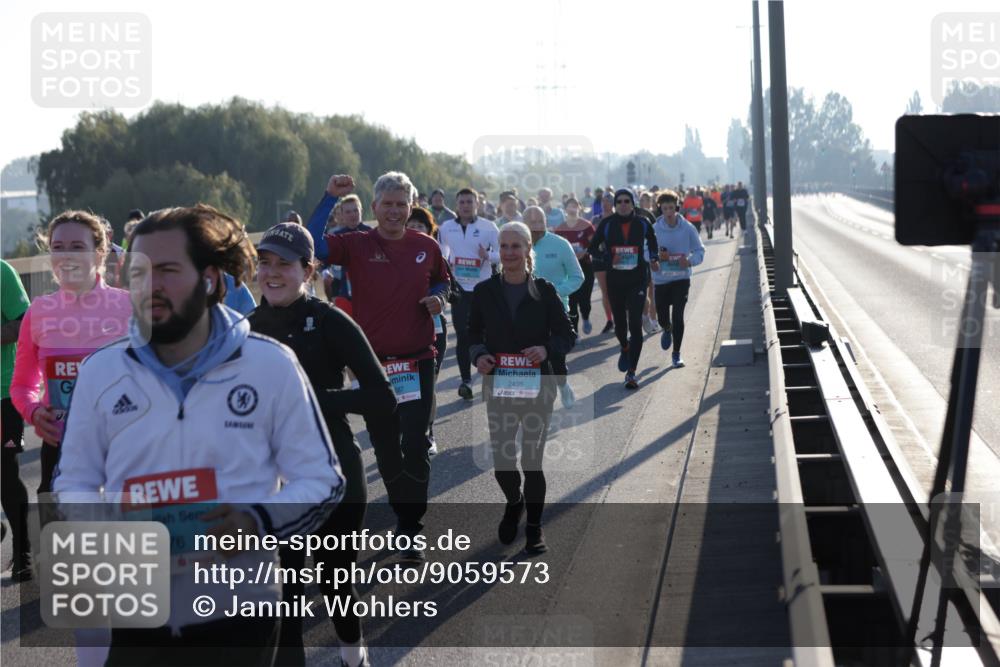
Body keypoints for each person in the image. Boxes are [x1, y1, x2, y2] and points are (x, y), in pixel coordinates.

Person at [53, 204, 345, 665]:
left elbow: (323, 479)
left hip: (240, 609)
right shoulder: (101, 371)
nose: (150, 285)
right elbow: (72, 482)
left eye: (168, 270)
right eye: (139, 272)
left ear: (210, 279)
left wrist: (256, 520)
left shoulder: (270, 364)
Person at [250, 222, 395, 667]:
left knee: (335, 583)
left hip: (335, 474)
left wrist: (311, 400)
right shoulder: (245, 331)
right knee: (285, 595)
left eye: (285, 264)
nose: (273, 273)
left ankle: (354, 653)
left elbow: (381, 396)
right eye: (265, 263)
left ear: (309, 269)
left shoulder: (332, 322)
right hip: (274, 483)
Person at [322, 172, 451, 562]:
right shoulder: (356, 244)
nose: (395, 211)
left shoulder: (425, 246)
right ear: (374, 207)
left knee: (415, 443)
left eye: (401, 204)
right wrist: (329, 198)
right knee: (386, 449)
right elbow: (309, 245)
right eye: (388, 204)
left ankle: (410, 527)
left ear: (412, 207)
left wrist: (437, 298)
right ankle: (402, 513)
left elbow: (442, 283)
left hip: (418, 360)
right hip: (374, 367)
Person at [468, 221, 575, 554]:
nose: (509, 252)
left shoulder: (544, 291)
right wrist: (479, 355)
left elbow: (567, 335)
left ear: (529, 249)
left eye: (516, 246)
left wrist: (546, 349)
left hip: (538, 387)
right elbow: (472, 334)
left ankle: (534, 527)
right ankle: (514, 502)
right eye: (504, 246)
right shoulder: (486, 292)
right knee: (503, 461)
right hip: (500, 386)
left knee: (532, 460)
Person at [10, 211, 133, 495]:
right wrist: (34, 411)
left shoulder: (131, 308)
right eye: (58, 247)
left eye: (78, 247)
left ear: (101, 254)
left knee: (127, 541)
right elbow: (22, 386)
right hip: (61, 452)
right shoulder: (38, 312)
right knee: (64, 540)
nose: (67, 256)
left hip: (125, 453)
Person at [588, 189, 659, 389]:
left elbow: (653, 242)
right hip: (616, 281)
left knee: (634, 324)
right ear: (615, 204)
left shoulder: (643, 223)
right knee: (621, 326)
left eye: (627, 201)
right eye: (619, 201)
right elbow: (593, 248)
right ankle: (624, 347)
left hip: (637, 280)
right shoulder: (607, 224)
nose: (623, 204)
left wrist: (653, 258)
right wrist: (609, 258)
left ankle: (632, 373)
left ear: (632, 203)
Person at [438, 187, 500, 400]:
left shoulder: (489, 227)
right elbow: (441, 252)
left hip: (483, 289)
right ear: (457, 205)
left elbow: (503, 254)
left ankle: (489, 376)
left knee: (487, 334)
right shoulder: (446, 227)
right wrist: (448, 262)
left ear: (477, 204)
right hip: (460, 290)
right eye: (462, 202)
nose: (465, 205)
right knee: (463, 335)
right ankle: (465, 381)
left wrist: (488, 256)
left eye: (469, 202)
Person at [523, 206, 583, 409]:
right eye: (530, 222)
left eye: (538, 221)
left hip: (556, 313)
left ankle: (563, 385)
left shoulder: (560, 244)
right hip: (525, 313)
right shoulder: (517, 245)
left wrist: (556, 294)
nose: (534, 227)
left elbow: (577, 276)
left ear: (546, 222)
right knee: (529, 360)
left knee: (556, 359)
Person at [405, 207, 447, 457]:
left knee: (428, 384)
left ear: (429, 230)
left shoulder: (434, 253)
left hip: (434, 328)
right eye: (412, 224)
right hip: (400, 329)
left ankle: (428, 433)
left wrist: (438, 299)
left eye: (421, 225)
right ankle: (405, 430)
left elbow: (451, 290)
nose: (416, 229)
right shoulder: (392, 255)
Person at [1, 260, 32, 582]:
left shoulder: (1, 272)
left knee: (4, 471)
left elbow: (23, 323)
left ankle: (22, 552)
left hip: (1, 393)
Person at [653, 191, 705, 368]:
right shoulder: (654, 229)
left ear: (677, 207)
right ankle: (666, 328)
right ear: (660, 208)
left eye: (671, 207)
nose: (668, 211)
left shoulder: (688, 228)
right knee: (662, 317)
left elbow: (700, 251)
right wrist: (655, 258)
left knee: (678, 316)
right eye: (664, 208)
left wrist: (689, 261)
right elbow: (646, 251)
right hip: (661, 280)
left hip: (681, 279)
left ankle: (676, 354)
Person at [554, 197, 597, 334]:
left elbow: (594, 245)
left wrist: (584, 252)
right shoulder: (560, 229)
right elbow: (557, 248)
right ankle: (574, 331)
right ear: (565, 209)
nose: (572, 208)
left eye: (575, 206)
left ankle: (585, 317)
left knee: (585, 299)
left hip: (585, 266)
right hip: (567, 269)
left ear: (579, 208)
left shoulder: (586, 225)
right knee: (571, 301)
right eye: (569, 206)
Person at [592, 190, 616, 334]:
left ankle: (621, 319)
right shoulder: (596, 219)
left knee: (617, 290)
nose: (605, 204)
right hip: (599, 258)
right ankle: (609, 320)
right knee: (605, 291)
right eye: (603, 202)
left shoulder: (618, 218)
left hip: (616, 258)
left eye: (609, 202)